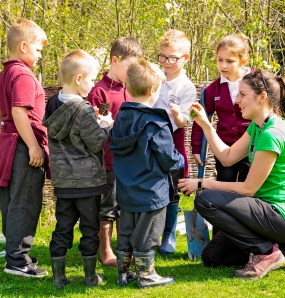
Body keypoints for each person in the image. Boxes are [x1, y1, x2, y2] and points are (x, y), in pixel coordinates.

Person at [178, 70, 285, 279]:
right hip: (260, 213)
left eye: (242, 95)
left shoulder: (272, 133)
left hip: (278, 214)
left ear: (262, 97)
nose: (237, 101)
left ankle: (267, 252)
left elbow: (249, 189)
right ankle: (281, 245)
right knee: (212, 257)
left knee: (205, 199)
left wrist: (201, 183)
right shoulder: (257, 127)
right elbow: (227, 157)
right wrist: (205, 124)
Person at [110, 59, 184, 288]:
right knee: (149, 232)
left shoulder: (120, 118)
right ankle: (146, 275)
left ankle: (123, 273)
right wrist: (180, 160)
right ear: (153, 90)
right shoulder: (156, 122)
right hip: (152, 190)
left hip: (126, 188)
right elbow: (168, 158)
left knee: (127, 230)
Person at [43, 49, 113, 288]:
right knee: (89, 229)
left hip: (63, 182)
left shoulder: (52, 102)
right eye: (92, 79)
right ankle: (91, 277)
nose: (93, 85)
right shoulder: (83, 109)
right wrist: (104, 124)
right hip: (87, 183)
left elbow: (69, 131)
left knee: (62, 228)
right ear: (79, 78)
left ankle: (59, 278)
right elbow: (95, 143)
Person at [0, 18, 49, 278]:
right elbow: (18, 112)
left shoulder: (2, 75)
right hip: (24, 147)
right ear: (24, 46)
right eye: (38, 50)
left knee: (11, 202)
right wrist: (33, 146)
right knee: (24, 203)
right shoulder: (23, 74)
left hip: (7, 145)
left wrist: (9, 138)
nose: (39, 55)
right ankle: (17, 261)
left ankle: (14, 255)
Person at [87, 37, 144, 267]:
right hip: (108, 161)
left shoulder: (132, 90)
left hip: (129, 161)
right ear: (114, 60)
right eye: (129, 68)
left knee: (125, 205)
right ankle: (106, 250)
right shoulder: (99, 92)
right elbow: (93, 128)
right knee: (108, 206)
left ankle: (124, 246)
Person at [190, 34, 252, 236]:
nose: (223, 65)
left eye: (229, 61)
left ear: (243, 61)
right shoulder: (212, 89)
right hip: (224, 150)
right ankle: (220, 235)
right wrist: (196, 146)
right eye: (219, 60)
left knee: (247, 192)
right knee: (222, 191)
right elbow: (202, 118)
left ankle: (246, 234)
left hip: (251, 148)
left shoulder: (254, 82)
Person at [153, 29, 196, 255]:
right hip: (150, 141)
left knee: (172, 188)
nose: (166, 62)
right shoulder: (154, 78)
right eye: (162, 56)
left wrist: (177, 113)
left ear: (185, 58)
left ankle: (168, 234)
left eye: (172, 58)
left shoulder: (186, 87)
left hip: (172, 141)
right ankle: (152, 232)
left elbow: (183, 122)